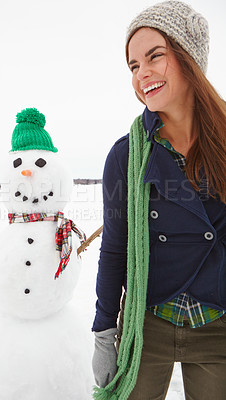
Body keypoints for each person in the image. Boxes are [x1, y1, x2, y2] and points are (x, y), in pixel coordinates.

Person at [91, 1, 226, 399]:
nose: (142, 74)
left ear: (188, 58)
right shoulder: (126, 156)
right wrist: (104, 332)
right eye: (133, 66)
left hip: (217, 323)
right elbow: (115, 250)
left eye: (155, 57)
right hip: (146, 324)